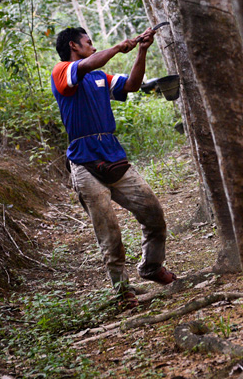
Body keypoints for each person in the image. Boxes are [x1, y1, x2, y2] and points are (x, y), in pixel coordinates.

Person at [50, 26, 176, 307]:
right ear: (74, 46)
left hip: (114, 158)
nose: (93, 47)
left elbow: (131, 84)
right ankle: (123, 292)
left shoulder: (100, 77)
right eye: (88, 42)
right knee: (110, 232)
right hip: (84, 164)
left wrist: (141, 51)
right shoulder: (61, 71)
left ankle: (151, 268)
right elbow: (90, 62)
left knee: (153, 213)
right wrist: (119, 48)